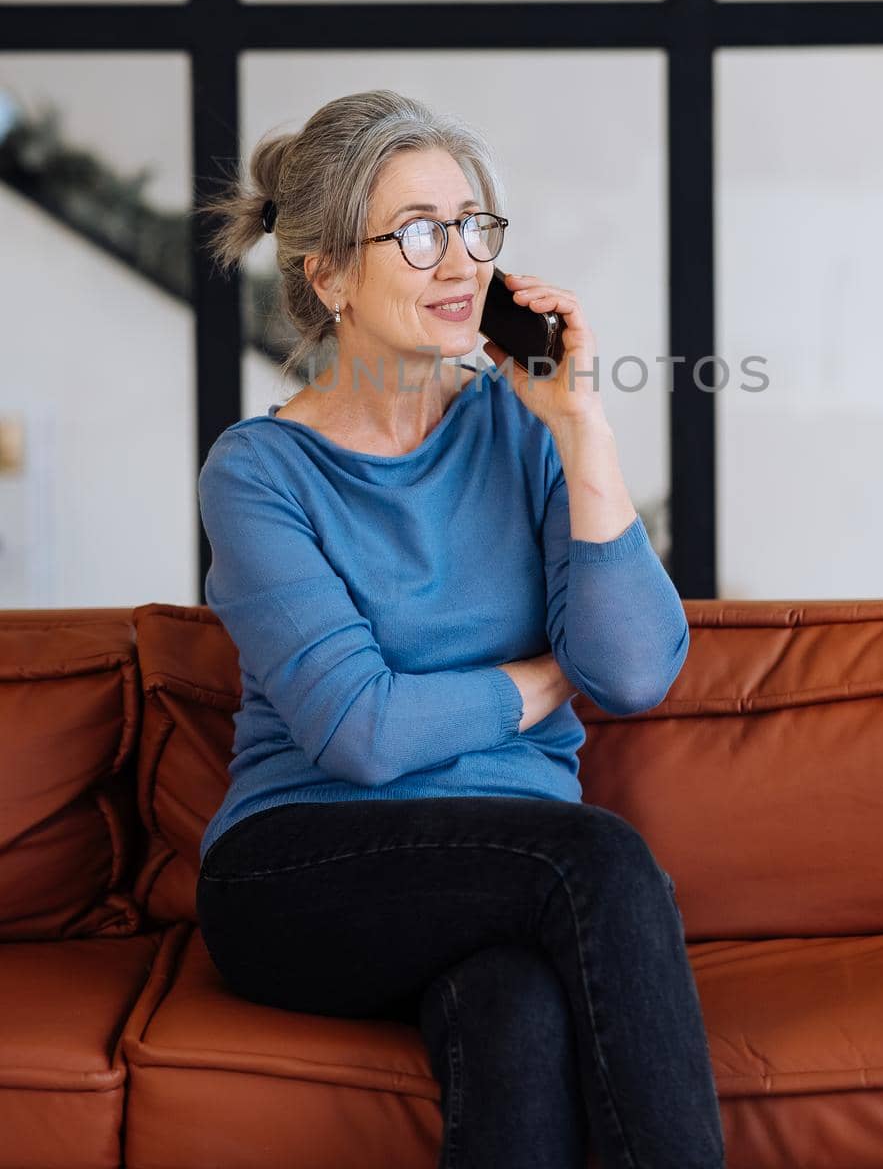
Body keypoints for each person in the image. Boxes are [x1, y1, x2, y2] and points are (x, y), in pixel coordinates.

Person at [193, 89, 726, 1169]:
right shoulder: (258, 472)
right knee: (602, 863)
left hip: (503, 873)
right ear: (328, 274)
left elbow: (627, 672)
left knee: (515, 1012)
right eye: (420, 231)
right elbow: (362, 734)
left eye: (475, 226)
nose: (461, 262)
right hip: (298, 873)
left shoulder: (525, 431)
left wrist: (580, 427)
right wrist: (540, 678)